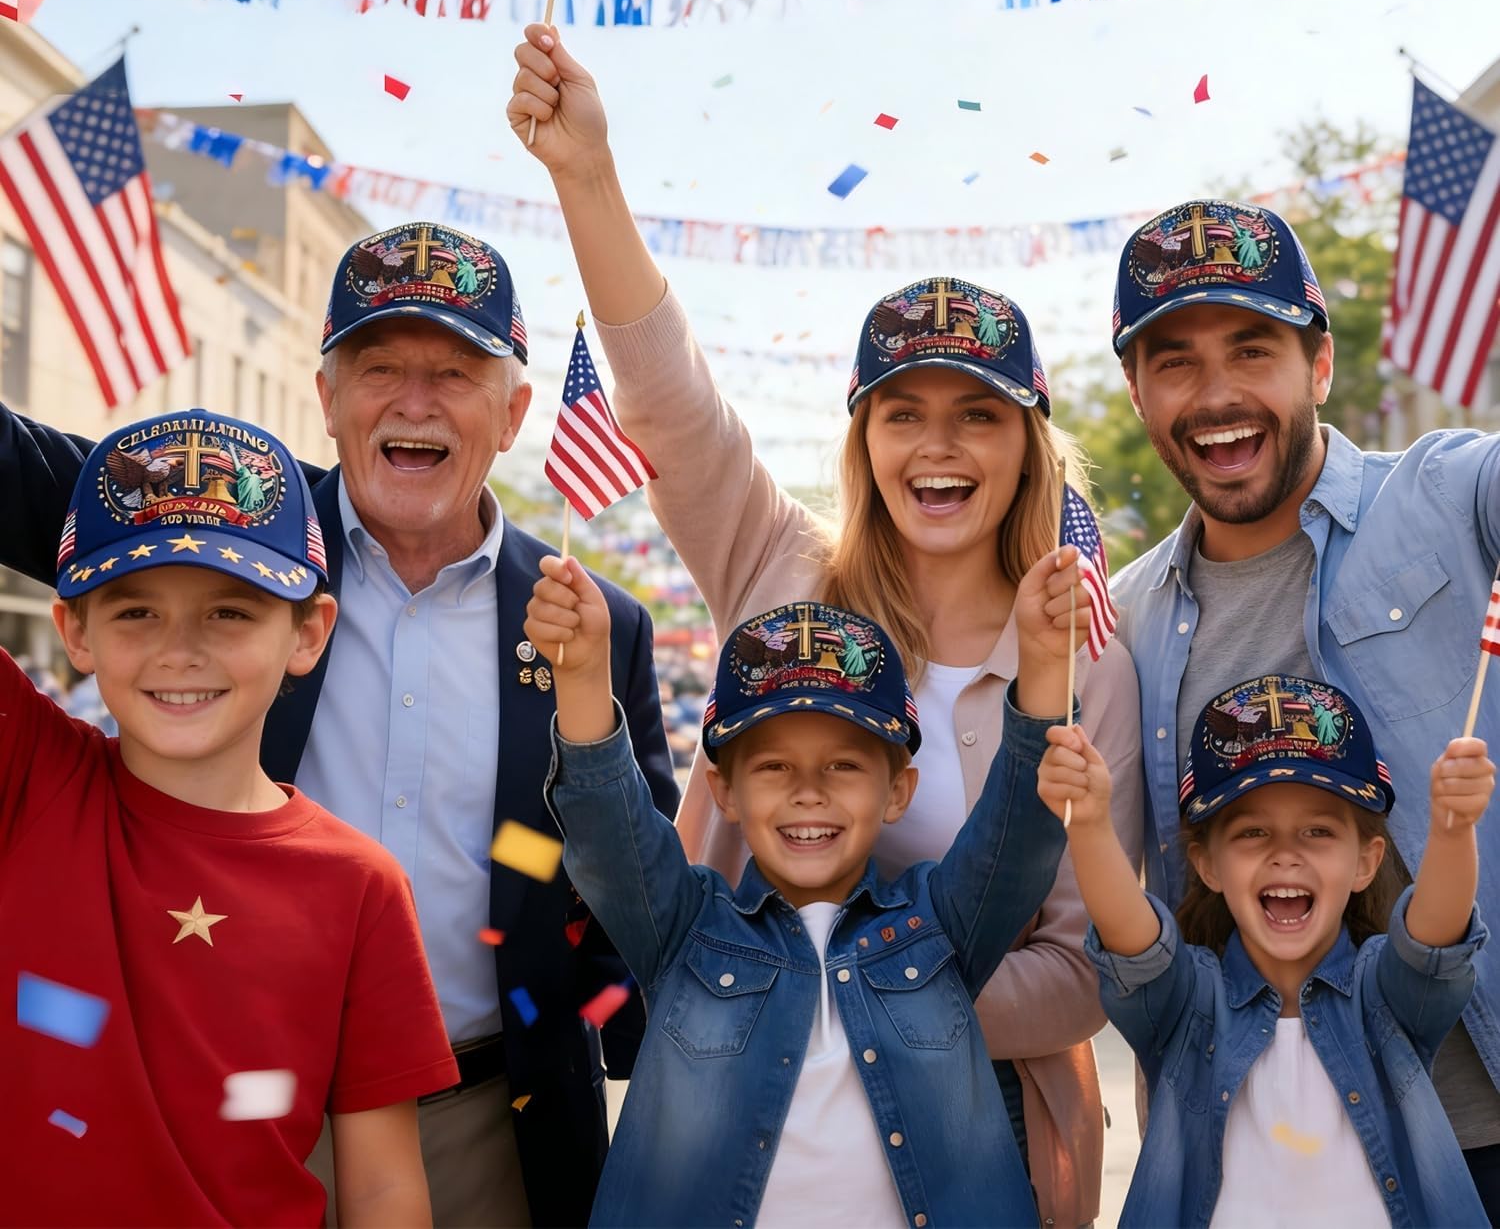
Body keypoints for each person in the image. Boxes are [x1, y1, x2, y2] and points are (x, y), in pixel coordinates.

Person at [509, 24, 1144, 1227]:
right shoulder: (784, 566)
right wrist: (585, 174)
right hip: (735, 1090)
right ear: (863, 441)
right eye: (902, 414)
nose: (939, 446)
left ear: (1028, 448)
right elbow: (670, 402)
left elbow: (1088, 967)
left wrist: (864, 998)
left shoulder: (1080, 649)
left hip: (990, 1122)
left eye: (979, 416)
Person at [0, 226, 678, 1227]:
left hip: (489, 1116)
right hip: (213, 1102)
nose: (414, 400)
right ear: (325, 400)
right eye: (379, 367)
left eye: (453, 370)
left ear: (514, 412)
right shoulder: (234, 529)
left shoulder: (595, 621)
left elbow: (637, 905)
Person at [1108, 197, 1500, 1208]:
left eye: (1252, 349)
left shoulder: (1451, 497)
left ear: (1319, 366)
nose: (1217, 394)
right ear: (1138, 392)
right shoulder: (1125, 623)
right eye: (1175, 360)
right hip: (1265, 1161)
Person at [526, 540, 1087, 1227]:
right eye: (774, 769)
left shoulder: (941, 925)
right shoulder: (684, 928)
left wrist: (1046, 663)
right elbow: (606, 828)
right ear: (724, 791)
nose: (808, 793)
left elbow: (1020, 832)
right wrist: (582, 673)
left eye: (844, 766)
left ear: (897, 791)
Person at [2, 407, 458, 1226]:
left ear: (309, 632)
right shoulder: (27, 772)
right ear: (73, 630)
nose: (181, 648)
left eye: (230, 611)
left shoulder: (362, 886)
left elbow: (385, 1185)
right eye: (135, 610)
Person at [1037, 671, 1493, 1226]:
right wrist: (1087, 823)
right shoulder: (1189, 1004)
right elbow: (1132, 943)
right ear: (1207, 864)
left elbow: (1435, 938)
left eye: (1318, 832)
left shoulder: (1384, 994)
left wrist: (1453, 830)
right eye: (1253, 833)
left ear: (1366, 862)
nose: (1285, 854)